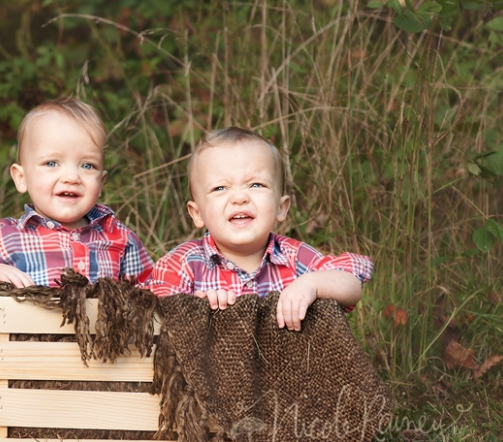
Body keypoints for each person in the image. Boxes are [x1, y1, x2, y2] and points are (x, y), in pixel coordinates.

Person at [0, 97, 154, 327]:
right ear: (21, 178)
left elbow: (152, 295)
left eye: (87, 165)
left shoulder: (119, 238)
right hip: (26, 355)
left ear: (101, 182)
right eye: (52, 163)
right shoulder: (4, 239)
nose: (72, 177)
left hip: (104, 357)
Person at [147, 127, 373, 331]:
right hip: (208, 373)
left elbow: (351, 281)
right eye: (220, 188)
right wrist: (192, 306)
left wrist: (310, 284)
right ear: (197, 213)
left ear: (281, 208)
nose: (239, 197)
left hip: (287, 371)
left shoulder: (295, 258)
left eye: (256, 185)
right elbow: (151, 317)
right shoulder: (183, 264)